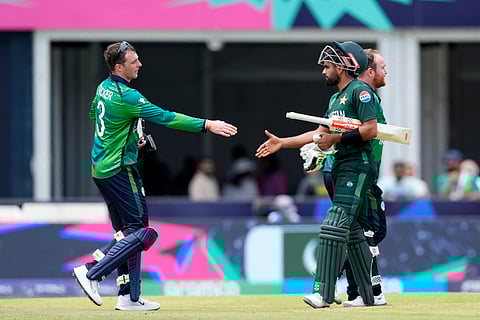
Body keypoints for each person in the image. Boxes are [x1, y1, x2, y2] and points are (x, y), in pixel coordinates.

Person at [72, 41, 237, 311]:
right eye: (133, 61)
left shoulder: (103, 89)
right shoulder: (129, 97)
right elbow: (166, 117)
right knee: (143, 233)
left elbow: (96, 116)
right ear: (118, 66)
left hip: (100, 169)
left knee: (125, 233)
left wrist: (126, 141)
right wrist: (208, 124)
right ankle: (93, 271)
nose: (140, 64)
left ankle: (129, 296)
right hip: (120, 170)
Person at [256, 41, 379, 308]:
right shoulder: (336, 98)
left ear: (342, 66)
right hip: (341, 166)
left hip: (358, 166)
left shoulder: (362, 92)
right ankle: (370, 298)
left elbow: (370, 130)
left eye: (327, 66)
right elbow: (320, 134)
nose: (324, 71)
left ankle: (322, 293)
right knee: (354, 231)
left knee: (332, 226)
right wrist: (283, 142)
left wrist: (335, 138)